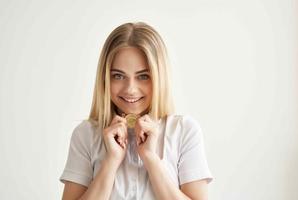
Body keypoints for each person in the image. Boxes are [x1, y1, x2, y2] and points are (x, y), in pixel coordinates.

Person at [59, 21, 213, 200]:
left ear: (158, 76)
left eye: (143, 76)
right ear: (105, 79)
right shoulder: (85, 135)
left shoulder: (184, 130)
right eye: (118, 76)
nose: (130, 89)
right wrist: (111, 162)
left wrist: (150, 158)